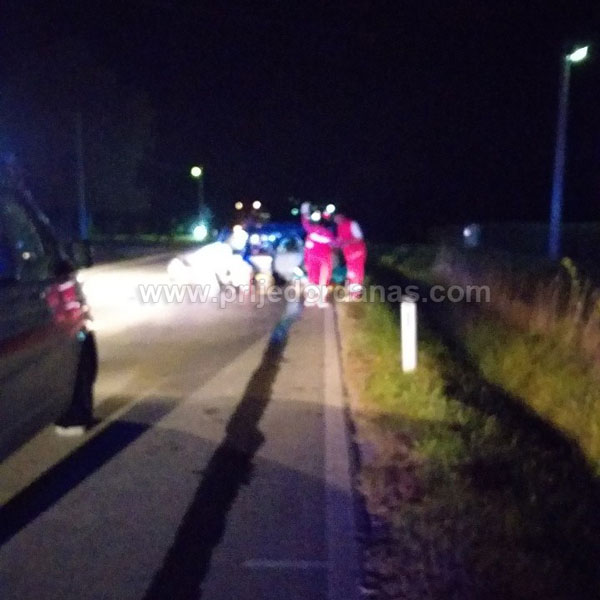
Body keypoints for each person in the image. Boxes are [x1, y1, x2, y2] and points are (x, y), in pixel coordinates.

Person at [300, 202, 334, 306]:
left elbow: (305, 222)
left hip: (320, 258)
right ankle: (315, 299)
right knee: (318, 278)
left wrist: (304, 211)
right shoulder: (313, 231)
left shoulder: (320, 232)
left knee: (318, 278)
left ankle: (316, 299)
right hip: (318, 258)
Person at [335, 212, 366, 299]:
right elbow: (340, 240)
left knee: (357, 273)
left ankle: (356, 294)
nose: (336, 220)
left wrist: (346, 242)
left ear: (342, 216)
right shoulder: (339, 226)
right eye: (335, 218)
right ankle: (352, 293)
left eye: (338, 217)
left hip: (357, 252)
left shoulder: (352, 223)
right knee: (351, 273)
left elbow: (359, 238)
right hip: (348, 254)